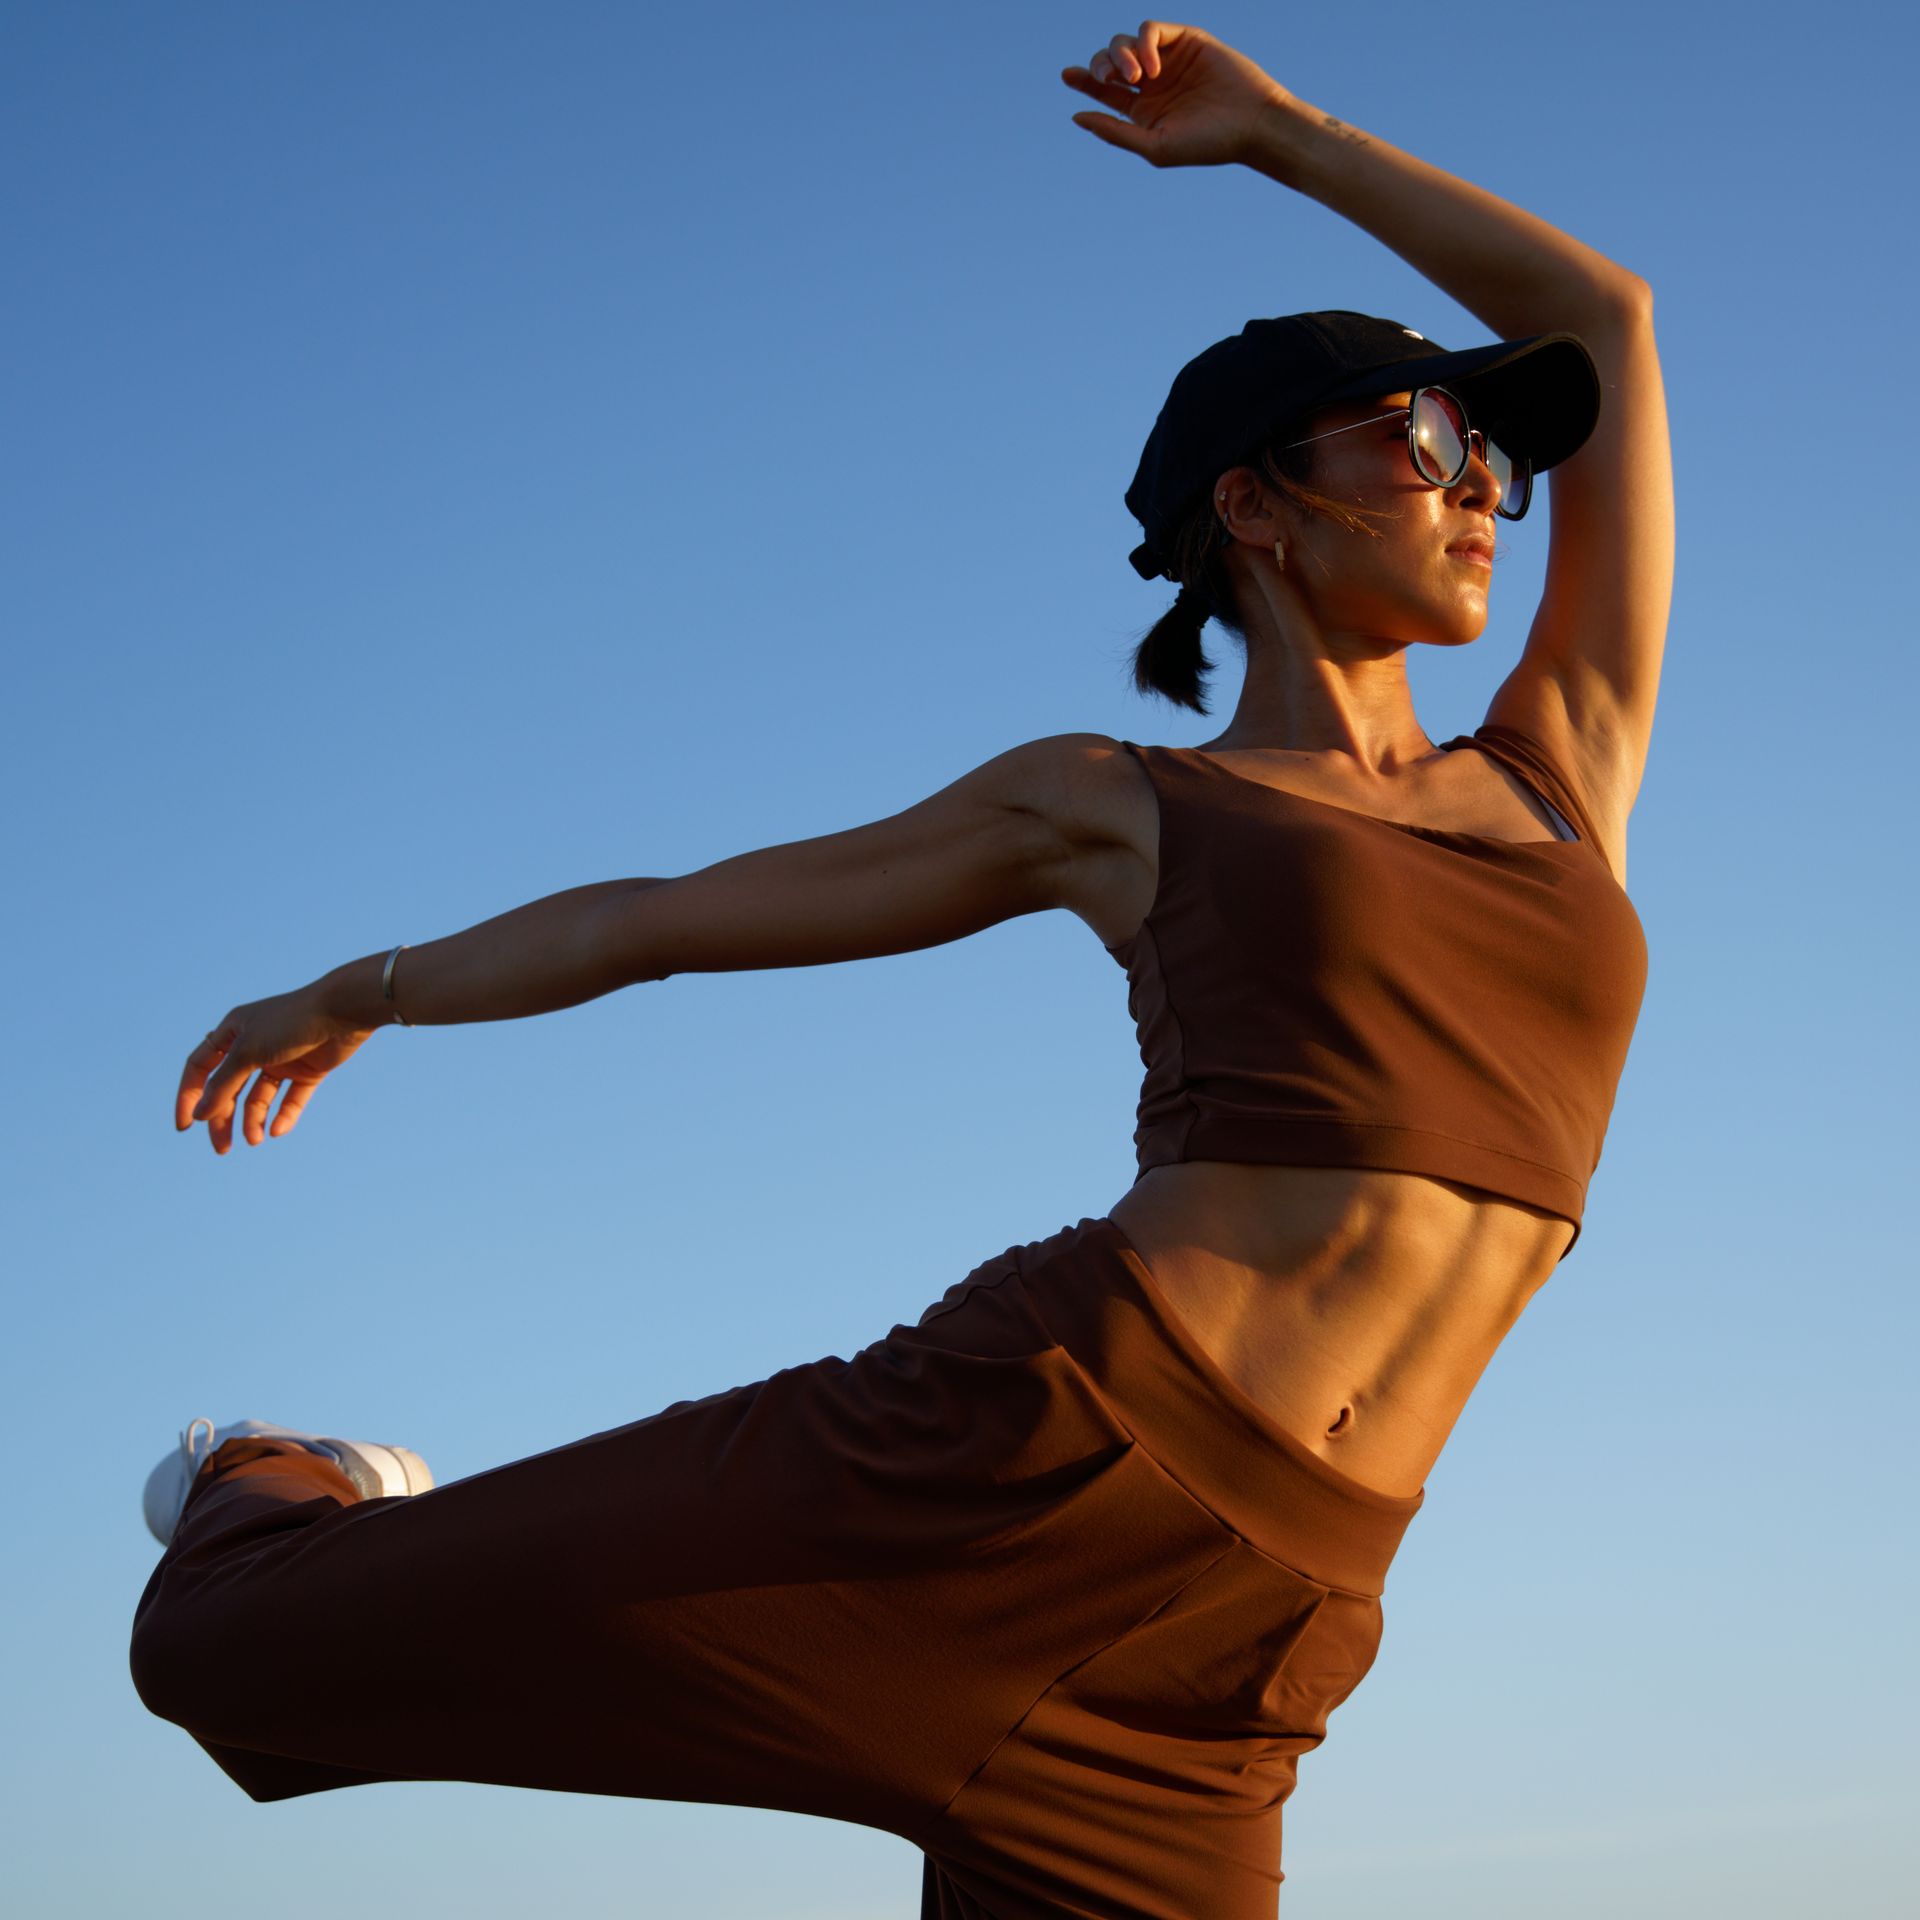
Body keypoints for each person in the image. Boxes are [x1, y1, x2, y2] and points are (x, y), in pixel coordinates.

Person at [130, 21, 1671, 1920]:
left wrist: (1280, 137)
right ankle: (274, 1470)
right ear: (1253, 509)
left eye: (1495, 455)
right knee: (218, 1648)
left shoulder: (1557, 763)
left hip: (1246, 1642)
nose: (1482, 490)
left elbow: (1603, 310)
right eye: (1424, 438)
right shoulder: (1120, 801)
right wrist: (360, 986)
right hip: (1018, 1453)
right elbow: (667, 918)